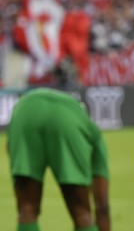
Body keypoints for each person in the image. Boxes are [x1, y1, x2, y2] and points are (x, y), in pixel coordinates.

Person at [7, 88, 110, 231]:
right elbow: (102, 207)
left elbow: (10, 149)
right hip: (67, 120)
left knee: (26, 208)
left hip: (25, 110)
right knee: (82, 213)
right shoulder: (94, 133)